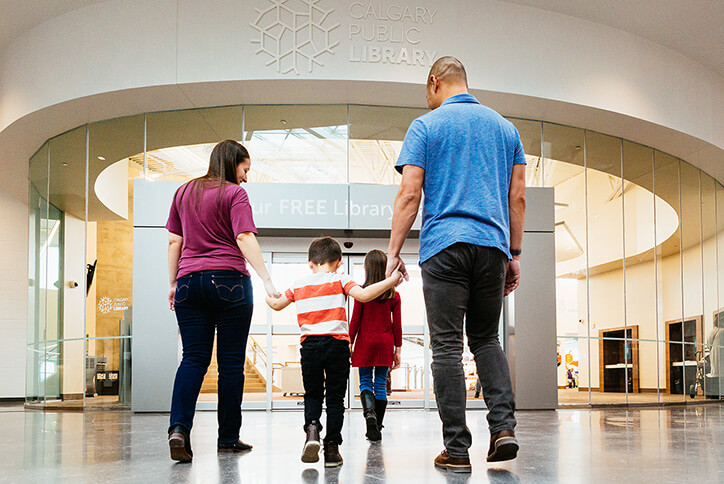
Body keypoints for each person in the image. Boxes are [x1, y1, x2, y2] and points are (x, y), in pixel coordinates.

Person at [386, 56, 527, 472]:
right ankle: (503, 429)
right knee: (486, 339)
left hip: (444, 246)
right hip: (491, 248)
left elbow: (410, 193)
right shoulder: (506, 129)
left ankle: (458, 449)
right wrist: (514, 254)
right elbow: (517, 197)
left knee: (446, 345)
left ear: (434, 83)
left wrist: (393, 253)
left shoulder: (426, 126)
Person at [166, 140, 279, 463]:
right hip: (229, 282)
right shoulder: (234, 194)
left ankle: (178, 429)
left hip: (188, 283)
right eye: (245, 169)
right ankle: (228, 438)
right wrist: (267, 280)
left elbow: (175, 240)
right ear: (234, 164)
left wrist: (173, 283)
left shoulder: (184, 192)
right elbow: (244, 237)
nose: (246, 178)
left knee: (193, 359)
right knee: (230, 364)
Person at [265, 237, 402, 467]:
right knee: (336, 399)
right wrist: (393, 279)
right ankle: (331, 449)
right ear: (339, 262)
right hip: (337, 346)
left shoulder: (298, 284)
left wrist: (267, 292)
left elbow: (276, 304)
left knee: (313, 394)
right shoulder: (341, 279)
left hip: (310, 347)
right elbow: (365, 295)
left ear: (310, 263)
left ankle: (311, 430)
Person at [349, 250, 402, 443]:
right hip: (385, 343)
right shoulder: (394, 295)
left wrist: (349, 342)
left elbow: (355, 321)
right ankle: (377, 426)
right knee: (380, 383)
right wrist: (398, 349)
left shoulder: (362, 293)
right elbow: (397, 324)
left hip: (365, 342)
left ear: (367, 269)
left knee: (365, 382)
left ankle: (369, 416)